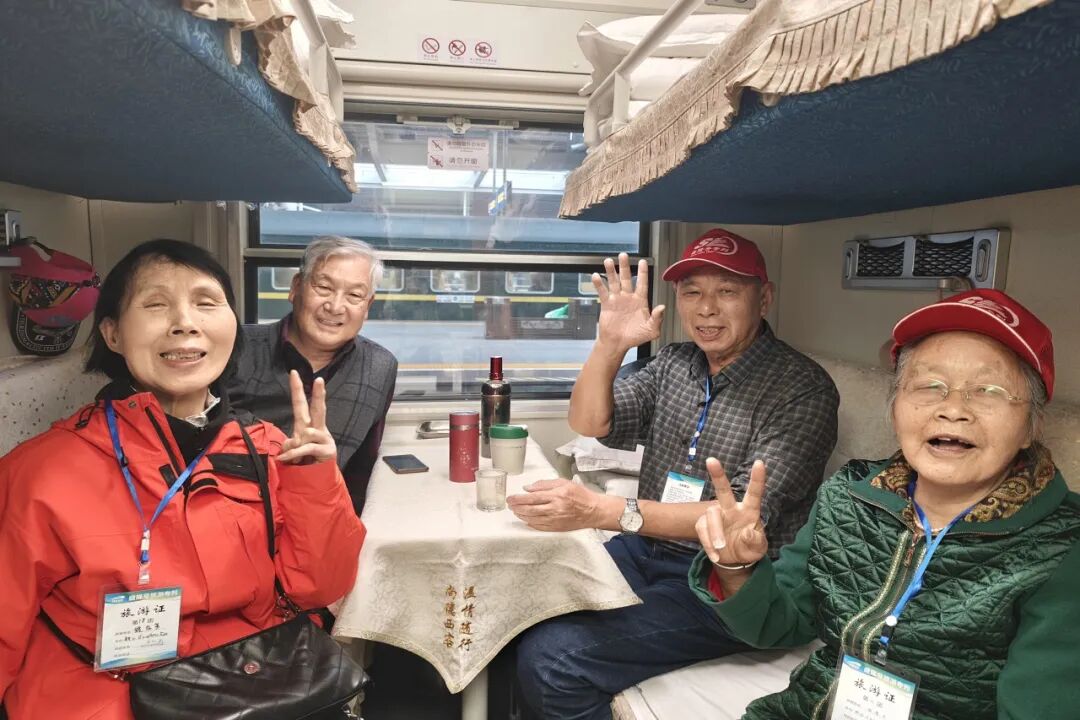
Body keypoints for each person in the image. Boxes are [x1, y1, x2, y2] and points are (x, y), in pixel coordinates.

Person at [0, 239, 366, 719]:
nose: (185, 322)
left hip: (257, 684)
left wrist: (315, 479)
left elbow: (320, 589)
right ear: (112, 333)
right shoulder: (40, 471)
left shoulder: (271, 449)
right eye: (155, 304)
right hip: (107, 693)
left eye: (206, 303)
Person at [692, 289, 1080, 720]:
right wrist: (737, 569)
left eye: (988, 390)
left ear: (1031, 426)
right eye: (929, 386)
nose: (953, 409)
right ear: (895, 408)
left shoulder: (1063, 545)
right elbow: (780, 624)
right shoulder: (849, 494)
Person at [511, 229, 840, 720]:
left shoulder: (802, 389)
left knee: (553, 658)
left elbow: (738, 519)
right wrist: (609, 346)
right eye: (692, 292)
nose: (706, 309)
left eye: (727, 291)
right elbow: (590, 422)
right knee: (520, 605)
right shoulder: (674, 362)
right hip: (646, 550)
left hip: (723, 581)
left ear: (764, 298)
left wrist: (602, 511)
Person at [229, 236, 397, 516]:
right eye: (324, 287)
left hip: (318, 520)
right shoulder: (236, 347)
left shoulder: (380, 367)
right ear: (296, 288)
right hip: (236, 517)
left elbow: (359, 475)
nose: (335, 306)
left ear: (367, 306)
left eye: (355, 295)